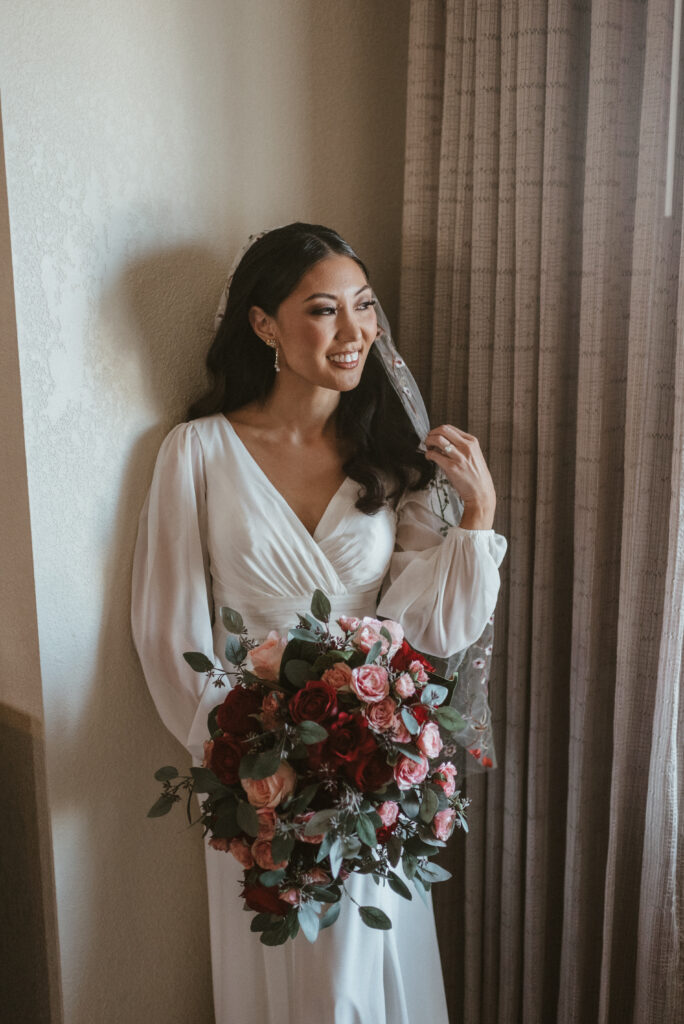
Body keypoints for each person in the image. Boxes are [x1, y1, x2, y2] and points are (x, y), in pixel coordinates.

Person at [132, 222, 507, 1024]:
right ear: (264, 324)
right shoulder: (196, 452)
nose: (356, 332)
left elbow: (432, 633)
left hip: (371, 771)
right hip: (254, 775)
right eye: (324, 311)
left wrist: (477, 514)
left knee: (360, 982)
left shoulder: (390, 456)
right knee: (290, 980)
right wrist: (247, 755)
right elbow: (171, 632)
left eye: (365, 308)